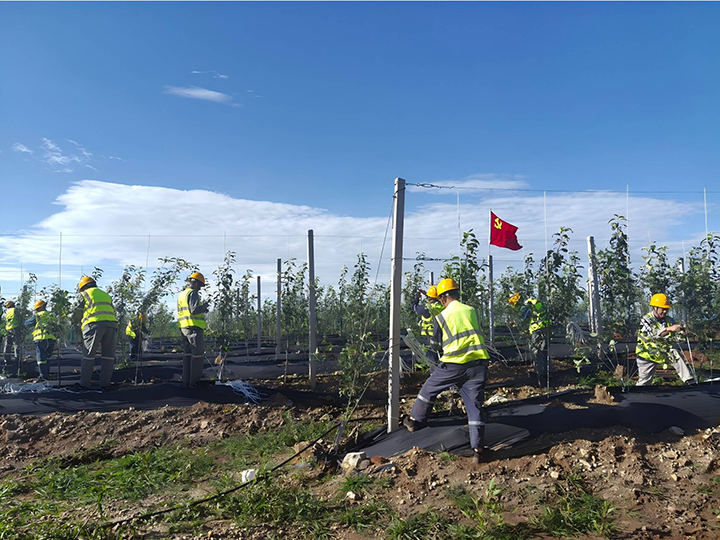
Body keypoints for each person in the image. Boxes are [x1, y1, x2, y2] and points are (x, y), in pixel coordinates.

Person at [403, 278, 490, 464]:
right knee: (474, 406)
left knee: (429, 389)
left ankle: (415, 420)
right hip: (478, 364)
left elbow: (435, 345)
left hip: (453, 364)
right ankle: (478, 450)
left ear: (443, 298)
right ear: (457, 294)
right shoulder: (473, 311)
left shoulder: (441, 317)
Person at [636, 293, 694, 386]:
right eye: (662, 309)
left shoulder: (669, 320)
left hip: (662, 352)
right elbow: (654, 335)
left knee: (674, 352)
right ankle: (636, 393)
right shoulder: (646, 320)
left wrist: (683, 334)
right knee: (644, 383)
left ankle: (689, 380)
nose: (665, 311)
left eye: (666, 309)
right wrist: (669, 329)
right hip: (647, 355)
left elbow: (675, 338)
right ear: (654, 308)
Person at [71, 276, 118, 388]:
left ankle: (84, 384)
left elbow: (78, 312)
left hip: (94, 325)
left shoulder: (85, 294)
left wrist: (73, 321)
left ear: (83, 287)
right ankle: (105, 384)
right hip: (111, 325)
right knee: (108, 356)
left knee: (88, 355)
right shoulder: (105, 294)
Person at [177, 272, 210, 387]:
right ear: (195, 283)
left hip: (184, 327)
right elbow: (194, 310)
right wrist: (204, 306)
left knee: (187, 355)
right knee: (197, 355)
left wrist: (202, 309)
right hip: (194, 328)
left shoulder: (182, 294)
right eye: (200, 285)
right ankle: (194, 382)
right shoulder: (193, 293)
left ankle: (186, 380)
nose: (200, 288)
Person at [519, 296, 551, 387]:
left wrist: (518, 325)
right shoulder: (537, 303)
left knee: (536, 352)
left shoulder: (527, 305)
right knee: (544, 352)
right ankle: (547, 373)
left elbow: (523, 319)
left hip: (537, 330)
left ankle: (540, 375)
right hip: (546, 329)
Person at [24, 300, 56, 379]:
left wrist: (23, 321)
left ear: (39, 308)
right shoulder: (51, 315)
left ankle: (43, 376)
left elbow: (28, 324)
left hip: (41, 339)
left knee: (41, 359)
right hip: (51, 339)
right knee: (47, 357)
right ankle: (47, 374)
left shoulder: (37, 315)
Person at [411, 285, 443, 364]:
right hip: (443, 336)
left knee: (432, 360)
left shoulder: (426, 308)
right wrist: (427, 295)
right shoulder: (443, 306)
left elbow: (414, 307)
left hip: (430, 337)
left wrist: (417, 298)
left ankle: (433, 370)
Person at [3, 300, 23, 376]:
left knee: (7, 345)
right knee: (16, 345)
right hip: (15, 328)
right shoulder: (15, 310)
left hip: (8, 329)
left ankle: (7, 359)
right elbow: (20, 319)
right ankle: (17, 359)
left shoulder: (7, 312)